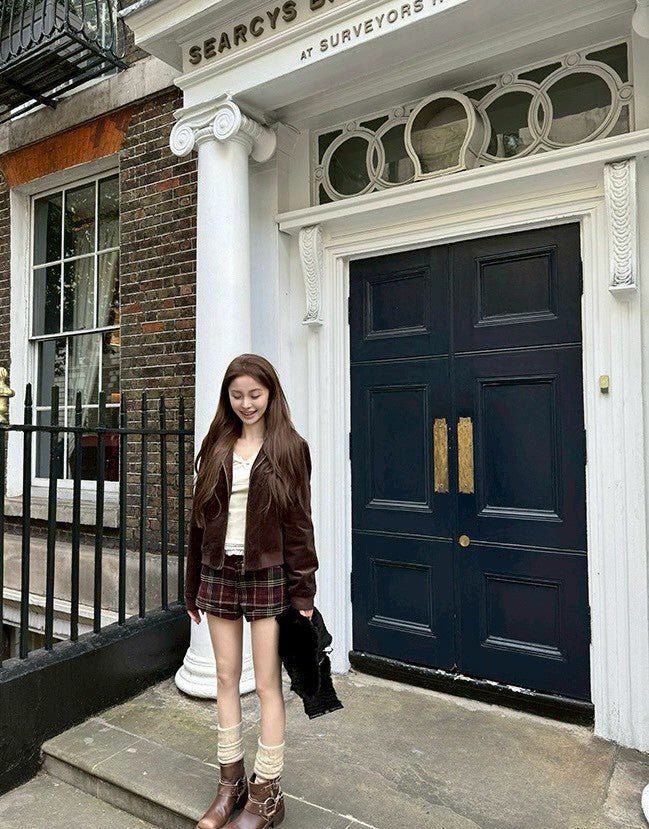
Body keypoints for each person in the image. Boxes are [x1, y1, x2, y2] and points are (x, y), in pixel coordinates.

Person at [185, 353, 319, 829]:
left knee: (266, 685)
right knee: (225, 679)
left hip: (268, 576)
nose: (246, 404)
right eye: (237, 395)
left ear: (270, 394)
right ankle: (230, 786)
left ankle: (267, 794)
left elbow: (300, 527)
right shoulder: (216, 445)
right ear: (228, 397)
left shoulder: (291, 448)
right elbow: (198, 523)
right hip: (218, 571)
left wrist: (304, 596)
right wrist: (191, 588)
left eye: (255, 394)